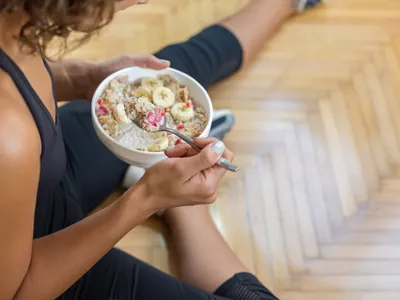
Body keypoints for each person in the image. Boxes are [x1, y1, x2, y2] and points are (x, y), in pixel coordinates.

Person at [0, 0, 322, 299]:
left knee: (180, 68)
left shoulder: (13, 18)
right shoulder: (10, 135)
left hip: (43, 179)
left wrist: (83, 78)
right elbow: (16, 293)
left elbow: (20, 69)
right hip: (40, 271)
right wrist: (146, 197)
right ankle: (179, 202)